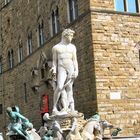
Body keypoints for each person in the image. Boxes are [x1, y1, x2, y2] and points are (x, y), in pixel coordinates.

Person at [51, 29, 78, 115]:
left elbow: (74, 60)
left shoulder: (72, 47)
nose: (71, 38)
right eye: (70, 36)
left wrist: (77, 70)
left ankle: (71, 108)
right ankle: (54, 107)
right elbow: (54, 62)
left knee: (69, 88)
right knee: (59, 87)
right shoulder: (56, 48)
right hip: (61, 67)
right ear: (65, 36)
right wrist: (54, 69)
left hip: (70, 67)